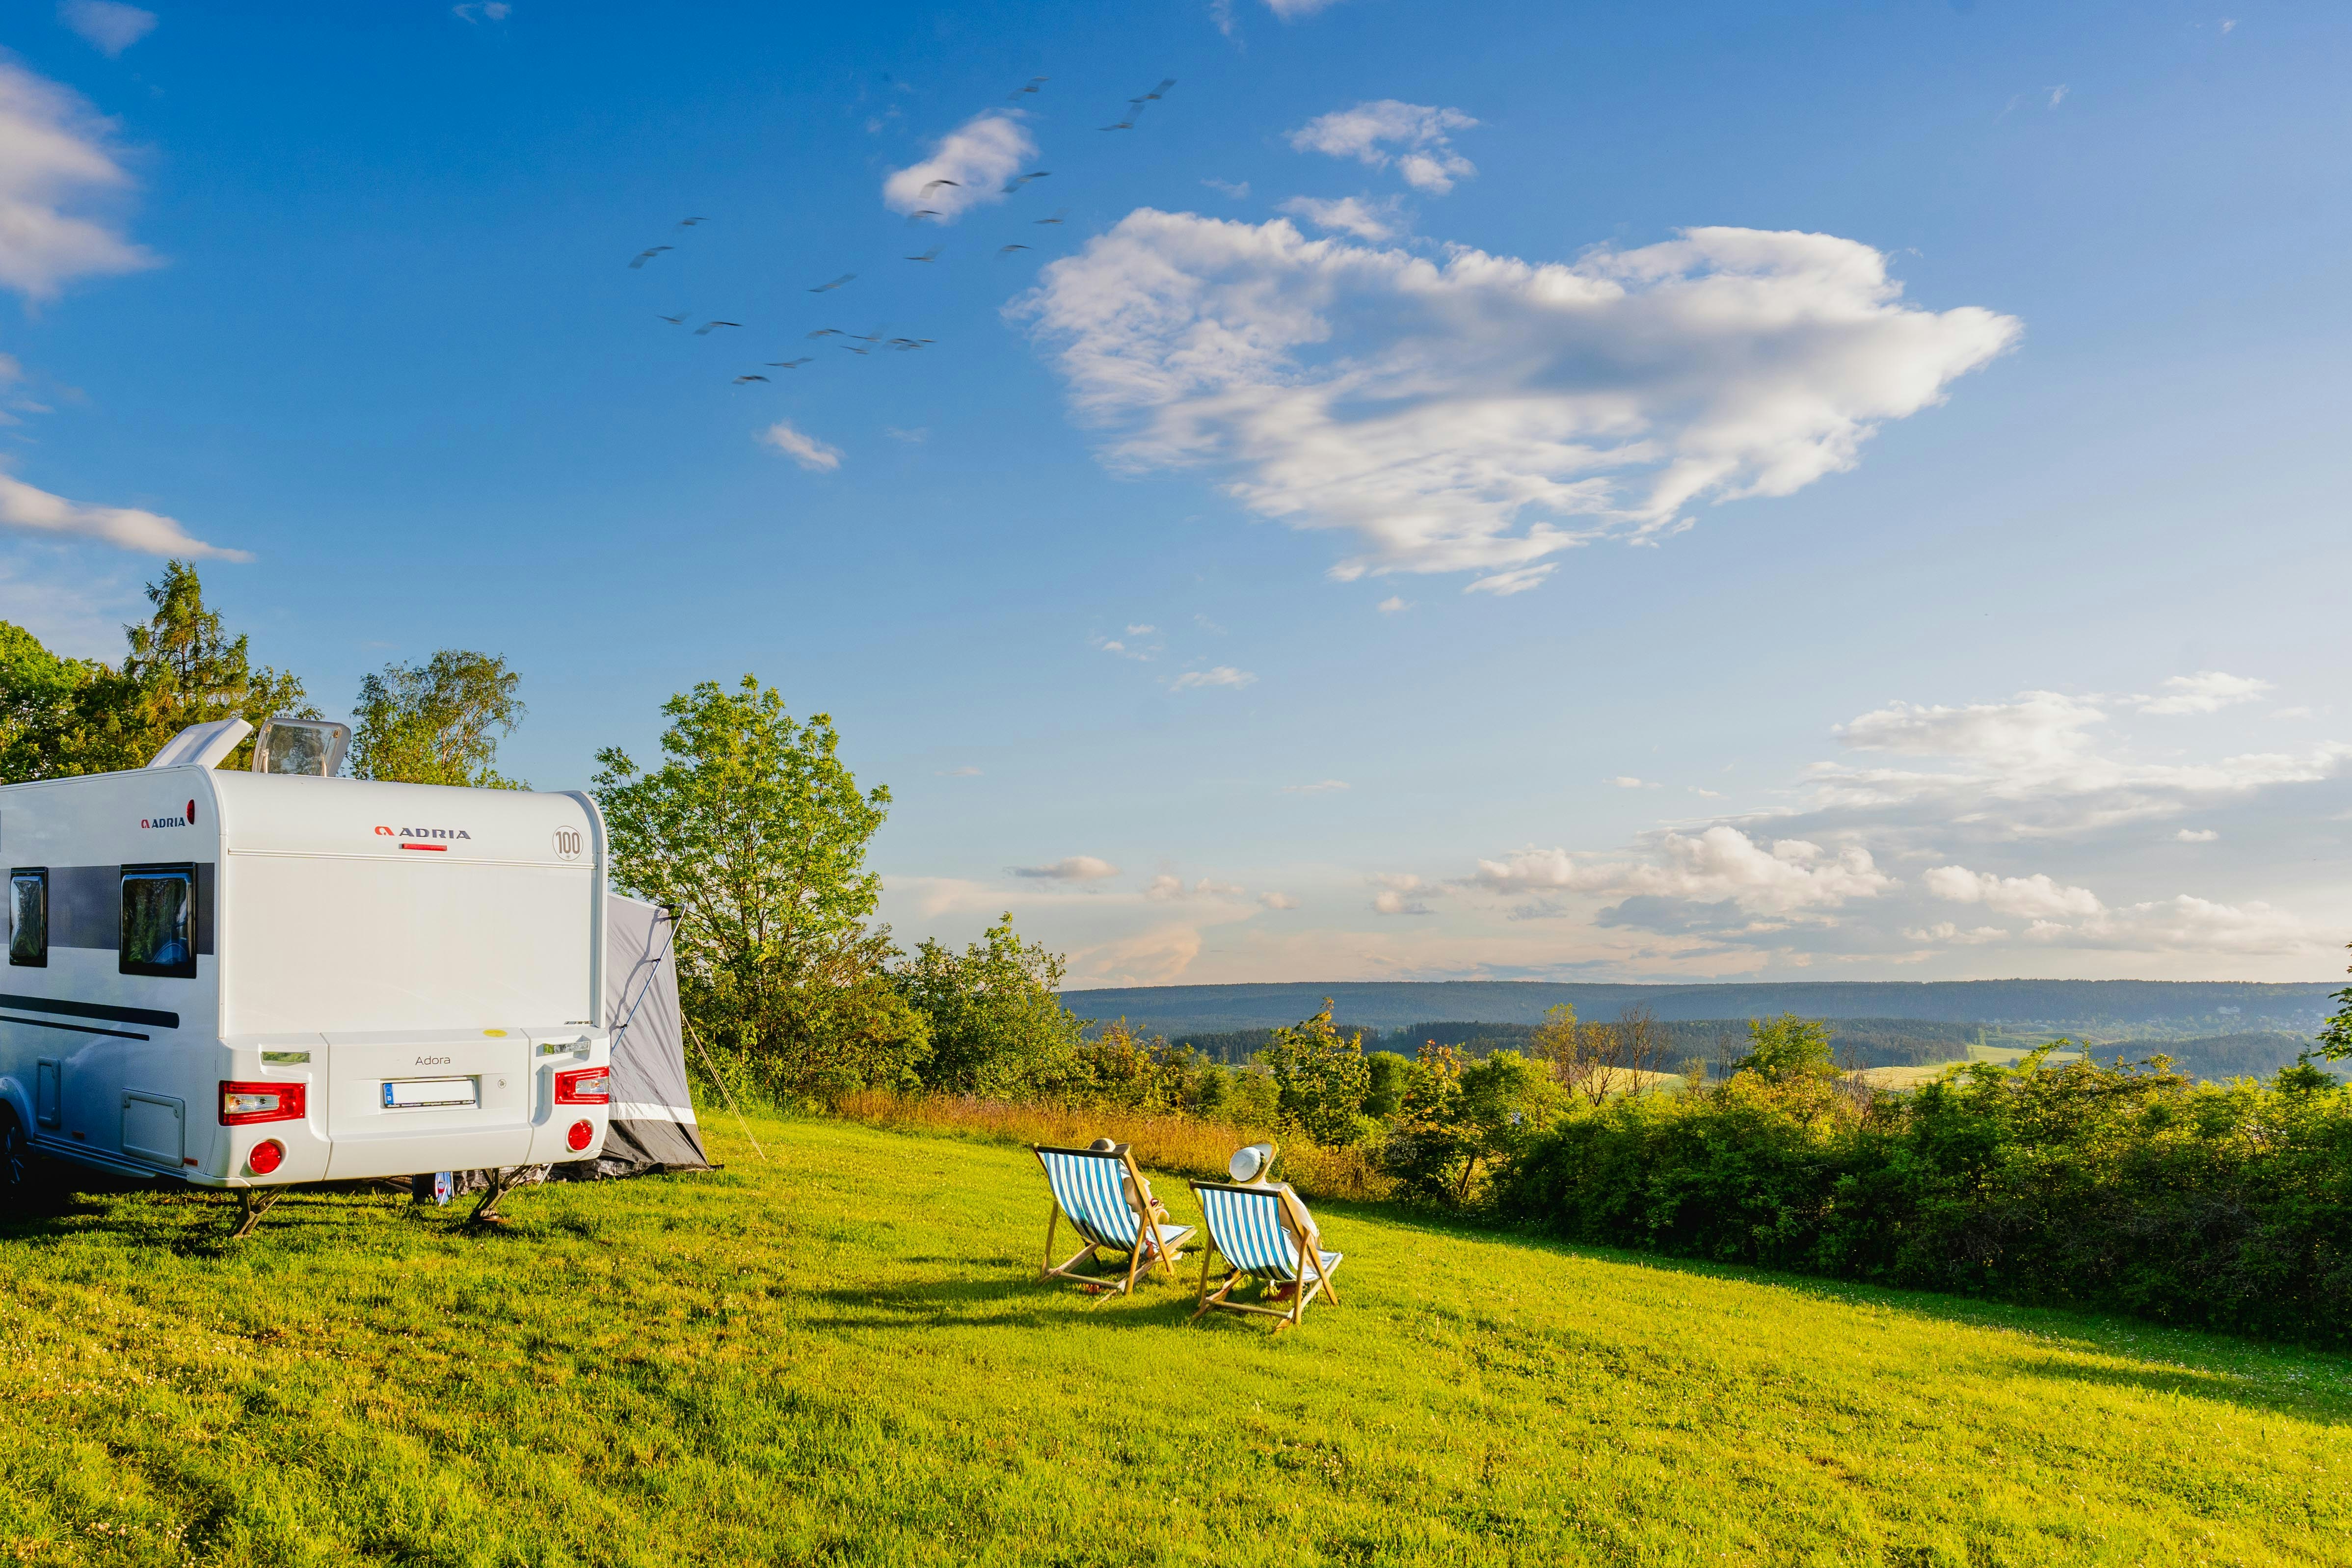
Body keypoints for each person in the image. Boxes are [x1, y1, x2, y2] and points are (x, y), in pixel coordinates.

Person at [1228, 1143, 1321, 1301]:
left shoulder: (1227, 1198)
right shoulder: (1280, 1197)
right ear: (1264, 1169)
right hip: (1279, 1261)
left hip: (1244, 1258)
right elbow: (1308, 1231)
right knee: (1307, 1236)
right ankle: (1299, 1282)